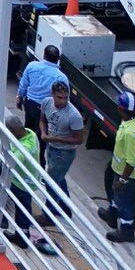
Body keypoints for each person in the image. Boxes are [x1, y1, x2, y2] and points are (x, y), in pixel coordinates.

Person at [3, 112, 60, 256]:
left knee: (21, 208)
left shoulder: (24, 148)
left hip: (21, 182)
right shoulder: (31, 134)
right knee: (24, 206)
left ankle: (21, 236)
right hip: (30, 179)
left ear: (13, 131)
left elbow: (10, 161)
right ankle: (23, 232)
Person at [100, 92, 135, 243]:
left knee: (125, 202)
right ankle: (112, 215)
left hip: (127, 174)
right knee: (116, 194)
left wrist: (122, 180)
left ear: (120, 108)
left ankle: (126, 231)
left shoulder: (130, 133)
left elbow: (131, 161)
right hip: (121, 169)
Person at [39, 76, 86, 210]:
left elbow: (79, 139)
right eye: (59, 97)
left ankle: (50, 212)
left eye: (66, 97)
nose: (63, 101)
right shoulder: (46, 103)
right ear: (52, 95)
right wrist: (43, 133)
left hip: (65, 152)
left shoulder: (74, 115)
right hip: (51, 147)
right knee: (58, 177)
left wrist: (56, 139)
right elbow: (42, 120)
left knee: (51, 182)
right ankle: (65, 207)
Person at [16, 43, 65, 148]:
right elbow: (63, 99)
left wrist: (19, 98)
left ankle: (26, 151)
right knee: (42, 136)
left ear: (44, 55)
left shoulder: (32, 66)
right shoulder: (61, 77)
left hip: (30, 104)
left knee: (28, 130)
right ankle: (39, 156)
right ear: (58, 59)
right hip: (46, 109)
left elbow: (23, 84)